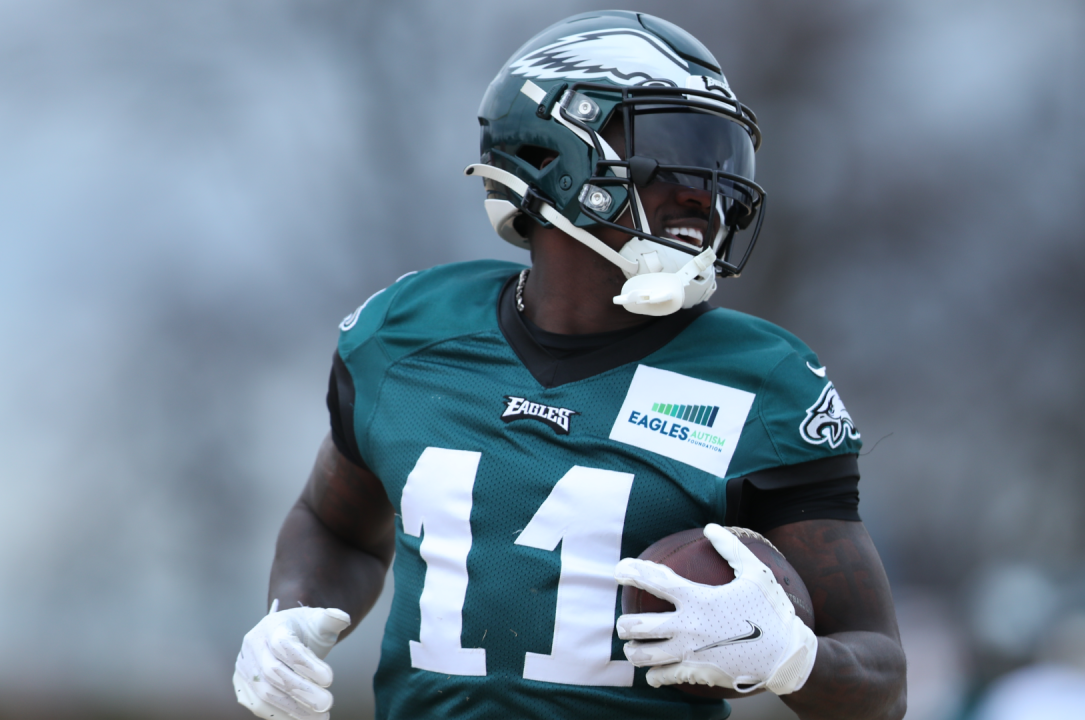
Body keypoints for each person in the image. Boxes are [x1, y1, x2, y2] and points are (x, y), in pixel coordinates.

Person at [233, 10, 906, 720]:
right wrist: (288, 615)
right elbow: (333, 523)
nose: (704, 189)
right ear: (552, 154)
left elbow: (881, 680)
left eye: (721, 156)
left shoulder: (761, 382)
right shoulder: (407, 334)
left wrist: (792, 657)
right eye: (677, 146)